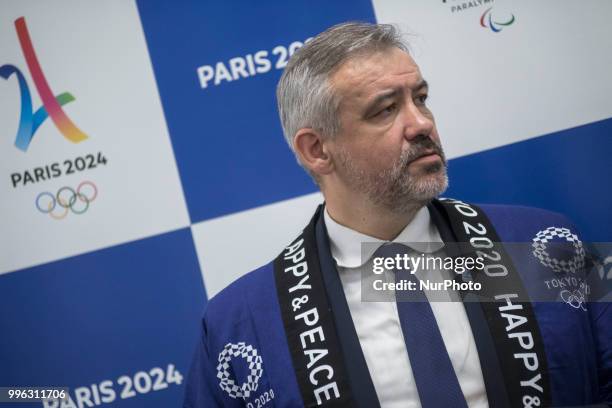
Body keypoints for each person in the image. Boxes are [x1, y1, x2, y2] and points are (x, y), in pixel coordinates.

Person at [184, 22, 610, 407]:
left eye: (420, 99)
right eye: (385, 109)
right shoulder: (240, 324)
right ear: (316, 150)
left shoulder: (541, 244)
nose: (421, 123)